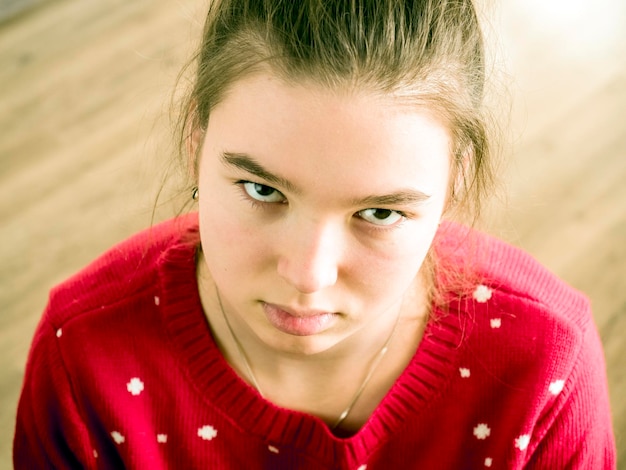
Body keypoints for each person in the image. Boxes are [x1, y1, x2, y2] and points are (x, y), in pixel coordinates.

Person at [13, 0, 616, 468]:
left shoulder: (543, 367)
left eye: (380, 214)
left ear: (454, 182)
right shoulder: (84, 353)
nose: (307, 274)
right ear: (197, 139)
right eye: (262, 191)